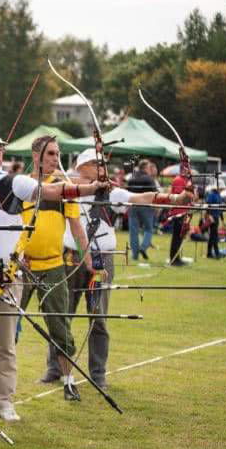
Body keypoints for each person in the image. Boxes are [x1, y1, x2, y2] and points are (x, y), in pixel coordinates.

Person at [0, 131, 106, 414]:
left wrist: (89, 260)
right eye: (50, 153)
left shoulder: (26, 183)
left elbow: (66, 210)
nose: (56, 159)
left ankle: (64, 380)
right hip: (6, 266)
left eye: (58, 154)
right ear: (36, 156)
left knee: (54, 326)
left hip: (41, 266)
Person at [55, 148, 193, 388]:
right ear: (82, 166)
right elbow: (50, 178)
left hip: (103, 258)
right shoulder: (67, 186)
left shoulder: (110, 191)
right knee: (62, 314)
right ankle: (54, 369)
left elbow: (141, 198)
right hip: (72, 256)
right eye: (97, 163)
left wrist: (176, 199)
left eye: (102, 163)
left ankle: (97, 374)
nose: (102, 167)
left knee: (98, 317)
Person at [126, 159, 159, 261]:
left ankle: (135, 255)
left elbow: (127, 193)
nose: (150, 169)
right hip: (146, 207)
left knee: (133, 231)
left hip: (133, 206)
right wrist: (156, 207)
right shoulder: (149, 179)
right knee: (149, 229)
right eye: (149, 167)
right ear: (145, 168)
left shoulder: (132, 178)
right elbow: (155, 194)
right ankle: (143, 247)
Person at [167, 167, 195, 266]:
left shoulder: (185, 180)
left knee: (180, 236)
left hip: (183, 211)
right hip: (179, 212)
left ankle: (177, 258)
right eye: (188, 169)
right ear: (183, 170)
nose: (189, 171)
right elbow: (179, 197)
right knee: (177, 237)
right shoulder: (179, 180)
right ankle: (174, 259)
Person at [205, 184, 223, 258]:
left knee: (214, 235)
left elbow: (220, 207)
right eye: (221, 188)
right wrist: (209, 216)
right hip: (212, 217)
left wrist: (222, 219)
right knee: (213, 236)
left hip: (217, 217)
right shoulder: (211, 195)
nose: (222, 189)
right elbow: (208, 205)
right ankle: (211, 253)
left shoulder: (219, 195)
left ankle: (215, 253)